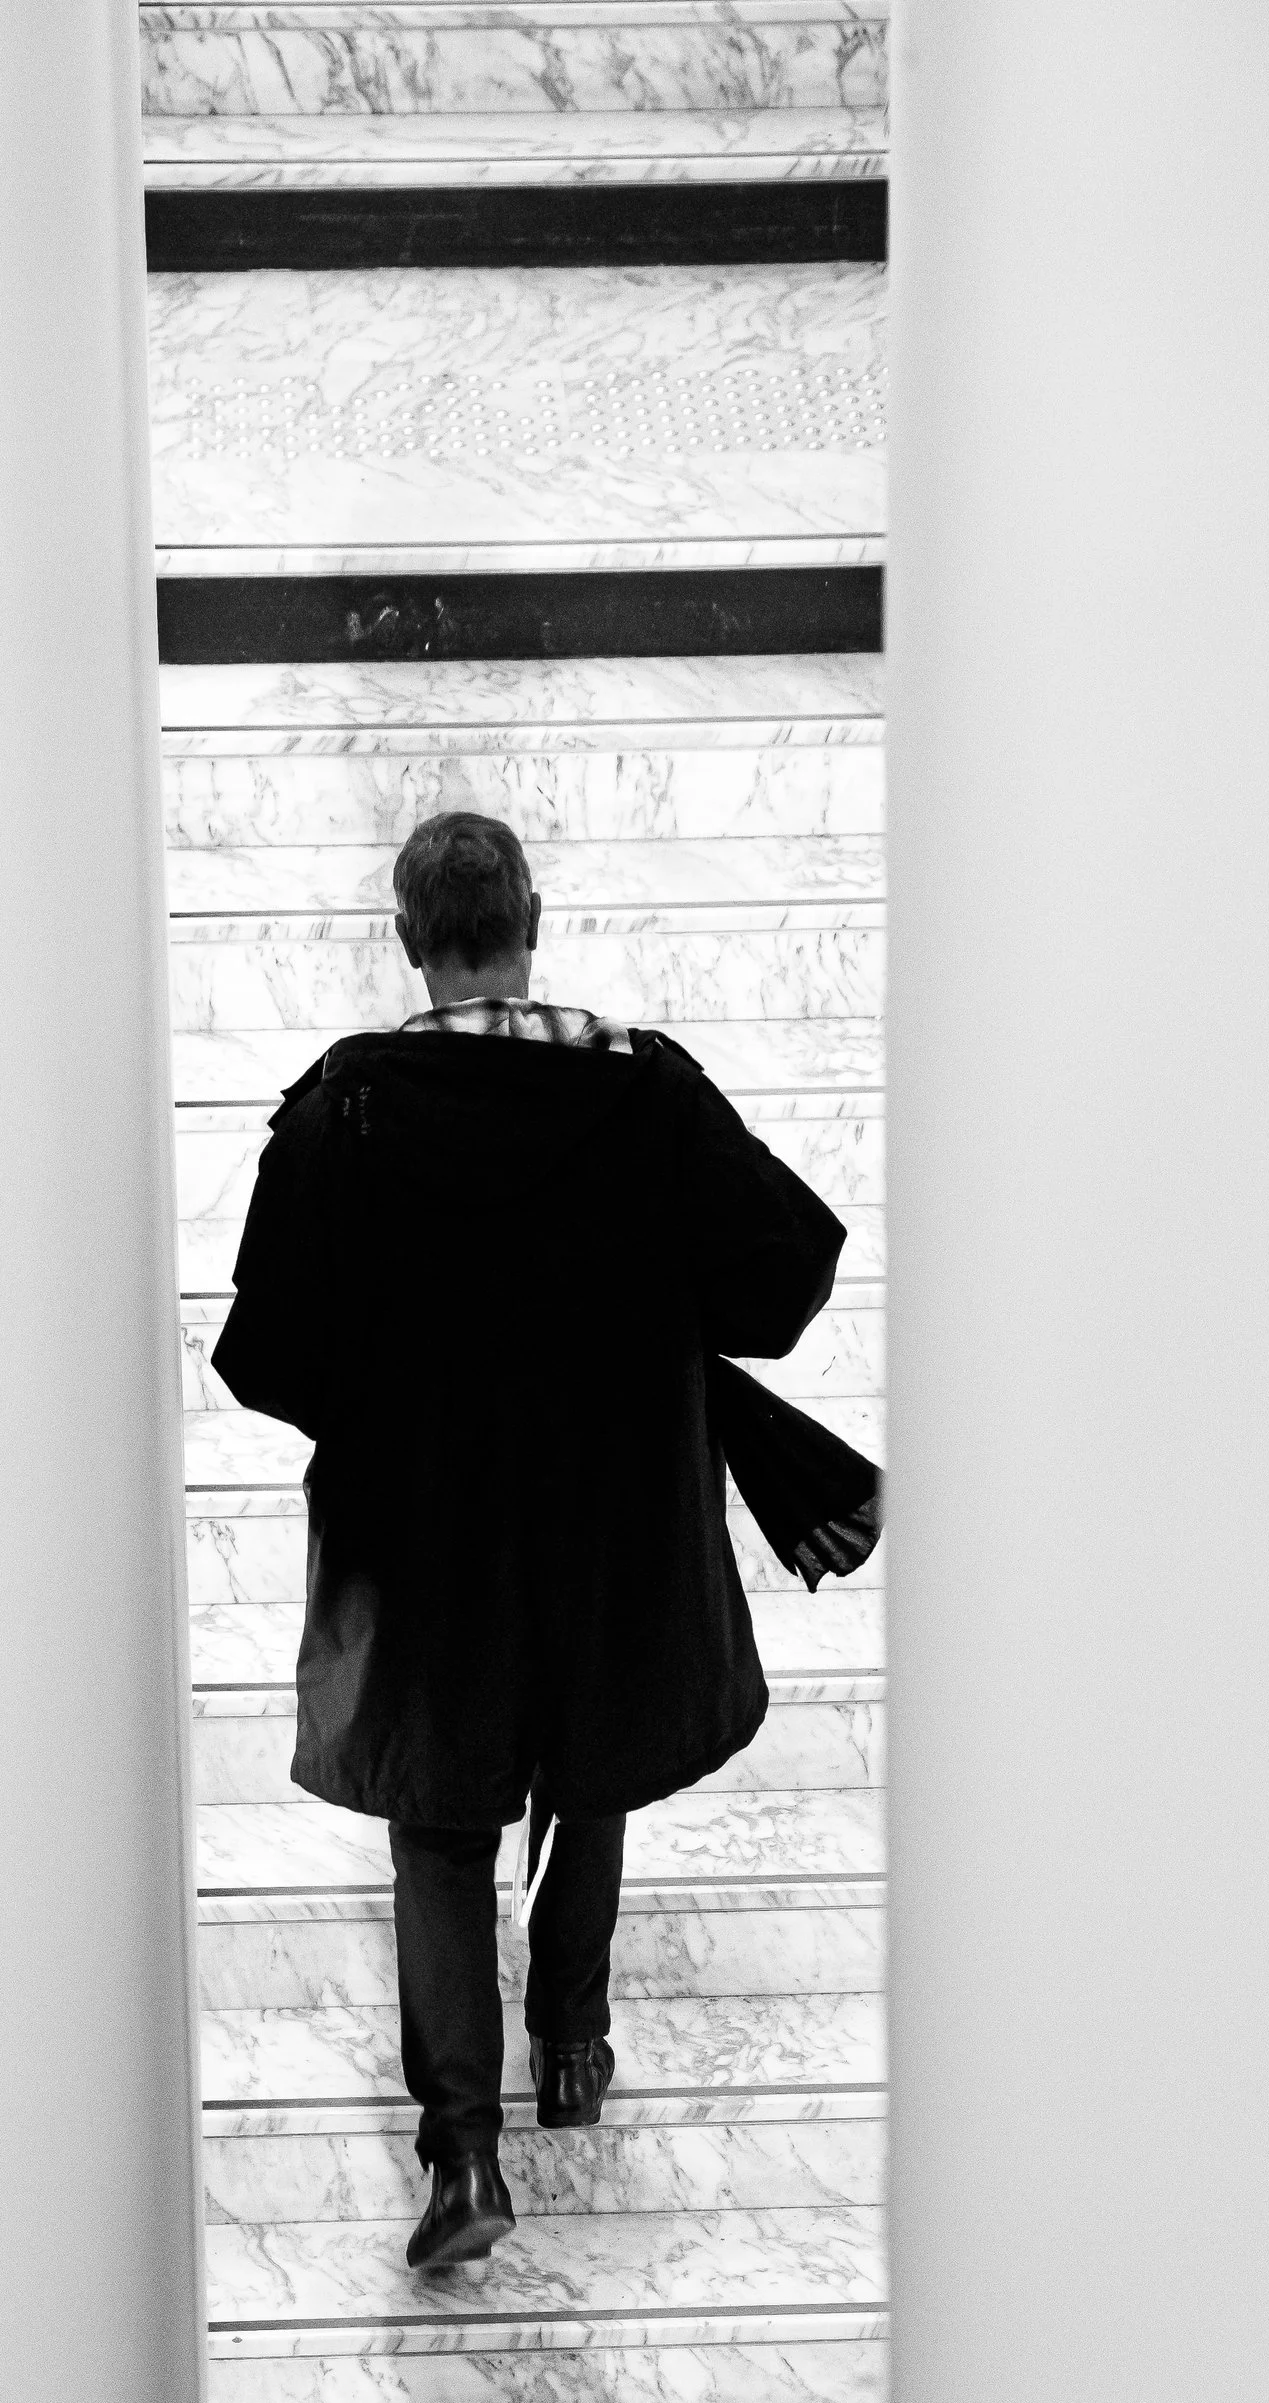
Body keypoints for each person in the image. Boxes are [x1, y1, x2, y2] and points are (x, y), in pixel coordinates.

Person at [212, 806, 847, 2272]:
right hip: (610, 1514)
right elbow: (783, 1268)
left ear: (405, 937)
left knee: (439, 1821)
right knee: (595, 1751)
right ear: (535, 918)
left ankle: (464, 2153)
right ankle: (570, 2044)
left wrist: (383, 1408)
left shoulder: (344, 1110)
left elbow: (267, 1351)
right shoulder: (644, 1089)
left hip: (424, 1533)